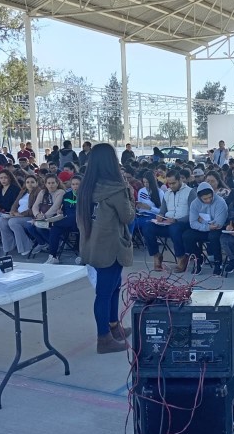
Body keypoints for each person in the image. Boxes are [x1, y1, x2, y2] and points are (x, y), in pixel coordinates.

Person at [77, 143, 134, 354]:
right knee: (104, 293)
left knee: (113, 287)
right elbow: (128, 217)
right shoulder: (116, 189)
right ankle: (104, 338)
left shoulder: (85, 187)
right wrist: (129, 194)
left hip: (92, 246)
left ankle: (113, 327)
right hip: (112, 247)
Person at [143, 170, 196, 272]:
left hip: (184, 223)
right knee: (147, 227)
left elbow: (193, 214)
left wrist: (176, 220)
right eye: (169, 183)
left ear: (180, 180)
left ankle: (181, 257)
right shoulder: (167, 193)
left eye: (173, 183)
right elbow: (162, 211)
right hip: (168, 223)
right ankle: (156, 255)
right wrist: (160, 216)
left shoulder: (190, 192)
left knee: (174, 228)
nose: (171, 186)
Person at [183, 182, 228, 275]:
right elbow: (193, 223)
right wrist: (207, 226)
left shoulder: (220, 202)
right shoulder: (195, 204)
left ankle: (218, 262)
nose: (208, 200)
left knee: (213, 236)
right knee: (187, 236)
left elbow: (218, 223)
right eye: (205, 199)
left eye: (210, 197)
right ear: (199, 197)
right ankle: (198, 259)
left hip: (217, 229)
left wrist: (201, 221)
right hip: (204, 228)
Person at [0, 175, 40, 256]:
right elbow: (15, 203)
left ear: (36, 183)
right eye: (27, 182)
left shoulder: (38, 193)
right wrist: (12, 211)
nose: (30, 184)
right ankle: (9, 245)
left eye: (32, 182)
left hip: (30, 217)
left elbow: (35, 208)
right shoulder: (23, 192)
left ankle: (26, 246)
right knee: (1, 221)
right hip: (17, 215)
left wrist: (21, 214)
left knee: (13, 222)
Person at [44, 175, 82, 264]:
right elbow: (64, 210)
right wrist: (59, 211)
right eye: (73, 184)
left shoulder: (86, 196)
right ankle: (53, 256)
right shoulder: (67, 195)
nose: (75, 186)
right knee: (55, 229)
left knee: (72, 218)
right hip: (66, 222)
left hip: (80, 223)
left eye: (77, 184)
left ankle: (82, 255)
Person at [28, 174, 66, 253]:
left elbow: (55, 207)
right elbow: (35, 206)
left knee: (39, 227)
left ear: (57, 183)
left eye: (53, 183)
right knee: (29, 227)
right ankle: (43, 243)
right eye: (48, 183)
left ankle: (55, 244)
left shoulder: (60, 192)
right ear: (45, 184)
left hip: (54, 218)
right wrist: (37, 214)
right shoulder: (42, 192)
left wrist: (43, 217)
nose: (51, 185)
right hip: (42, 217)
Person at [133, 170, 164, 234]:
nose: (145, 184)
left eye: (147, 182)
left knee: (143, 224)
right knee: (130, 223)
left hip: (153, 215)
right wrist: (138, 207)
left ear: (152, 182)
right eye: (144, 182)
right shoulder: (141, 191)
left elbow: (162, 211)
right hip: (141, 214)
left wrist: (150, 208)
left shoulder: (160, 192)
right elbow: (139, 207)